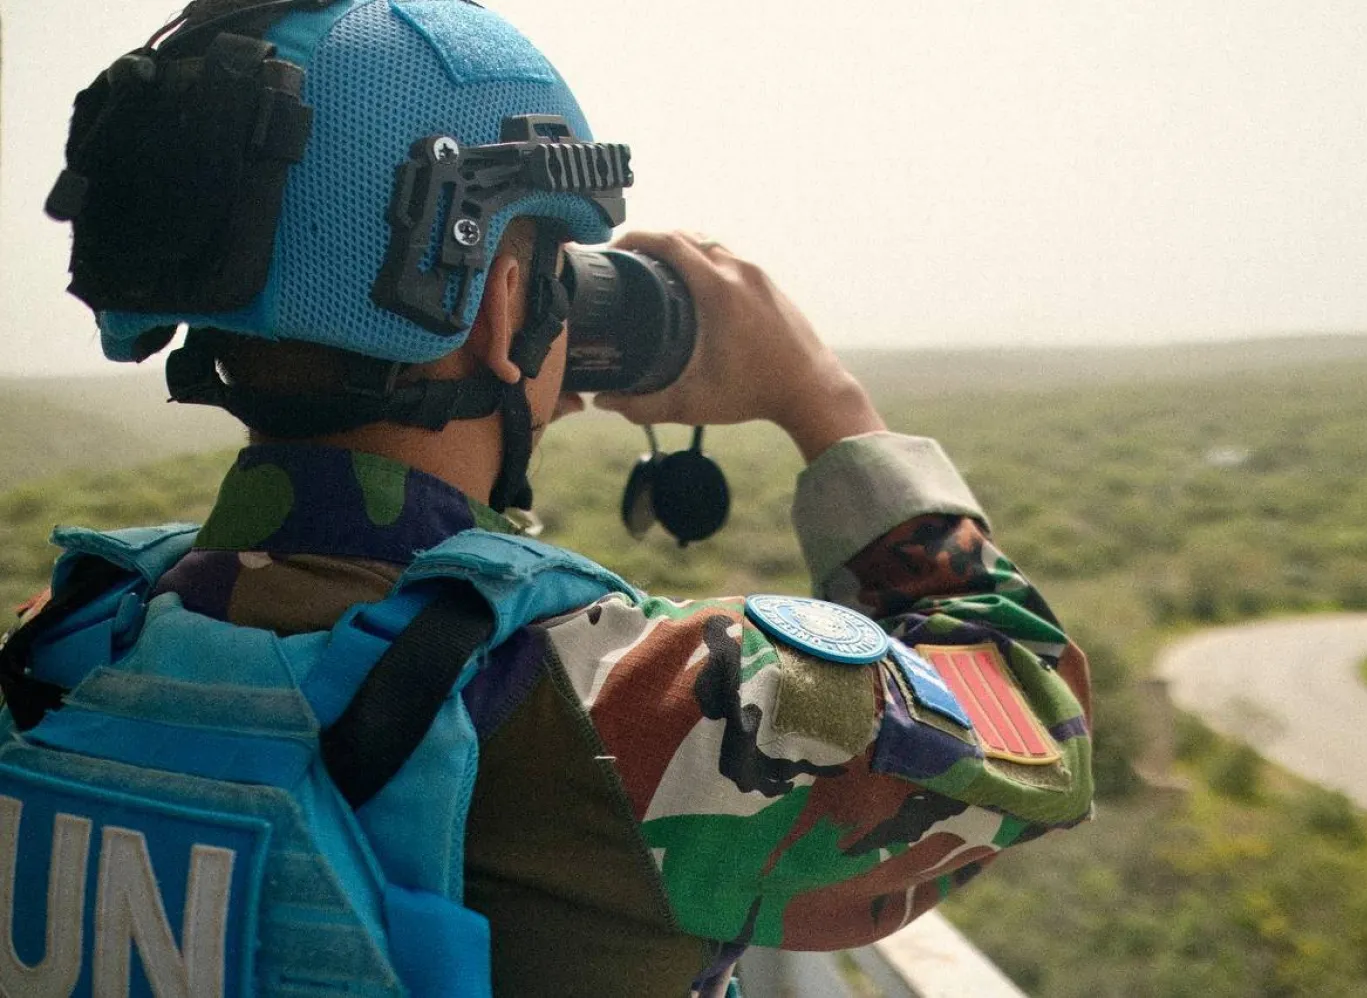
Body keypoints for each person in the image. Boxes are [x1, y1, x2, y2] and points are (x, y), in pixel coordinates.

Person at [2, 1, 1093, 996]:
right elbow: (1038, 726)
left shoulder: (59, 647)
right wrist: (825, 400)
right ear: (504, 295)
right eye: (558, 258)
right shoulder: (622, 707)